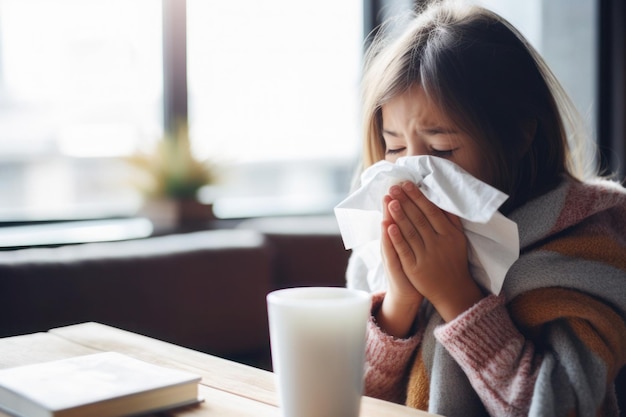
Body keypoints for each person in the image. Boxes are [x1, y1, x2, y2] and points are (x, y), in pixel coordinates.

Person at [345, 1, 626, 416]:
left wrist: (455, 293)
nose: (413, 170)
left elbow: (558, 406)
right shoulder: (378, 251)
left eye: (441, 149)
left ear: (518, 136)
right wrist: (400, 301)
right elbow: (351, 395)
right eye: (396, 147)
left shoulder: (584, 247)